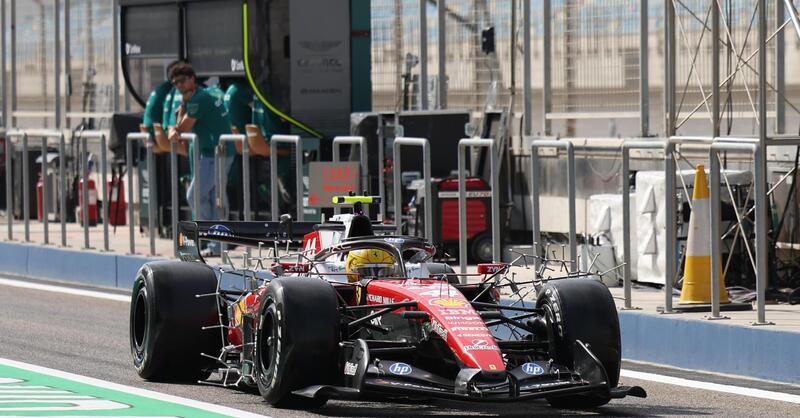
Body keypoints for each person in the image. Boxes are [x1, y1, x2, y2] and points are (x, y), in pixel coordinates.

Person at [167, 62, 231, 256]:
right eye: (175, 83)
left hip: (218, 153)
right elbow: (176, 126)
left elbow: (182, 128)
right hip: (214, 152)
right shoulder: (196, 97)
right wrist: (173, 128)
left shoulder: (198, 100)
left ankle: (215, 240)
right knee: (213, 198)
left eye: (182, 81)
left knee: (197, 195)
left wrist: (173, 128)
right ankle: (217, 243)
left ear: (192, 79)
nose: (179, 86)